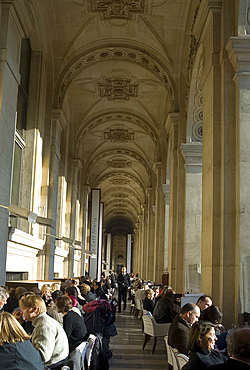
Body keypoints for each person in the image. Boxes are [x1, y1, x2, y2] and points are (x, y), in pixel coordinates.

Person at [19, 294, 69, 369]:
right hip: (57, 363)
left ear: (34, 309)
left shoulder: (44, 325)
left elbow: (42, 356)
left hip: (53, 366)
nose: (21, 312)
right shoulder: (44, 321)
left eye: (23, 309)